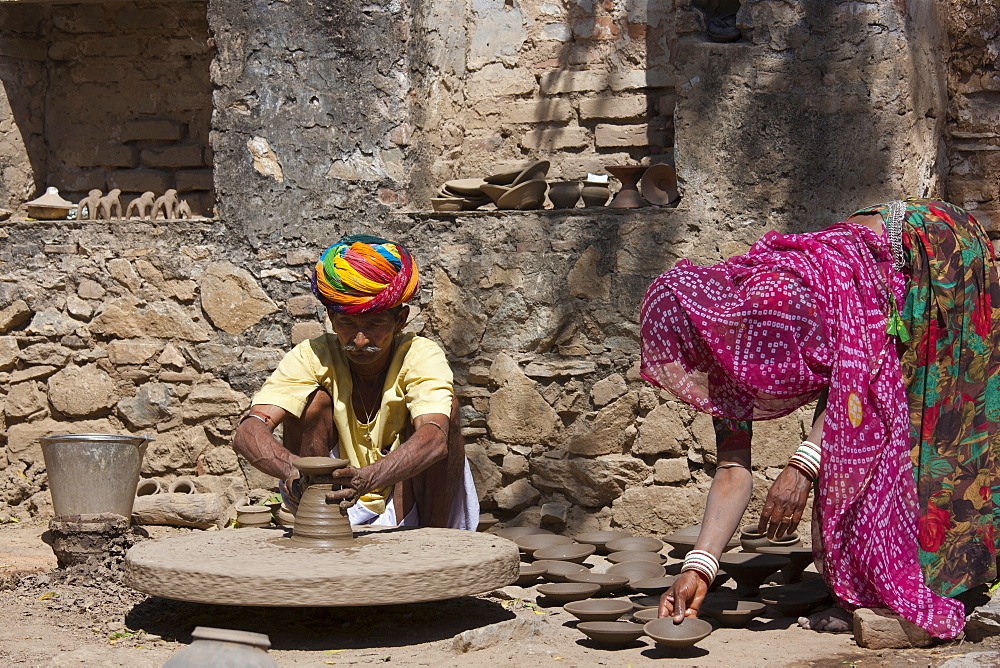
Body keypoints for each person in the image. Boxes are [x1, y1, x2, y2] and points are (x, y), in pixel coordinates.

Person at [640, 199, 999, 639]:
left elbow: (859, 378)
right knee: (849, 441)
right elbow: (733, 471)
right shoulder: (722, 360)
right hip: (870, 282)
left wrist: (802, 466)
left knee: (922, 431)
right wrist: (699, 569)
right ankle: (882, 577)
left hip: (934, 246)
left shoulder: (781, 301)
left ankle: (938, 578)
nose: (694, 371)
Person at [232, 234, 479, 530]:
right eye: (347, 324)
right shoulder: (313, 355)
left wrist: (369, 478)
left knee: (444, 412)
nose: (360, 340)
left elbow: (436, 440)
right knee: (312, 403)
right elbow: (248, 431)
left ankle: (434, 543)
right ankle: (318, 524)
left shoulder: (419, 354)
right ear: (331, 318)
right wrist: (296, 472)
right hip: (336, 498)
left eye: (375, 324)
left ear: (400, 319)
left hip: (405, 493)